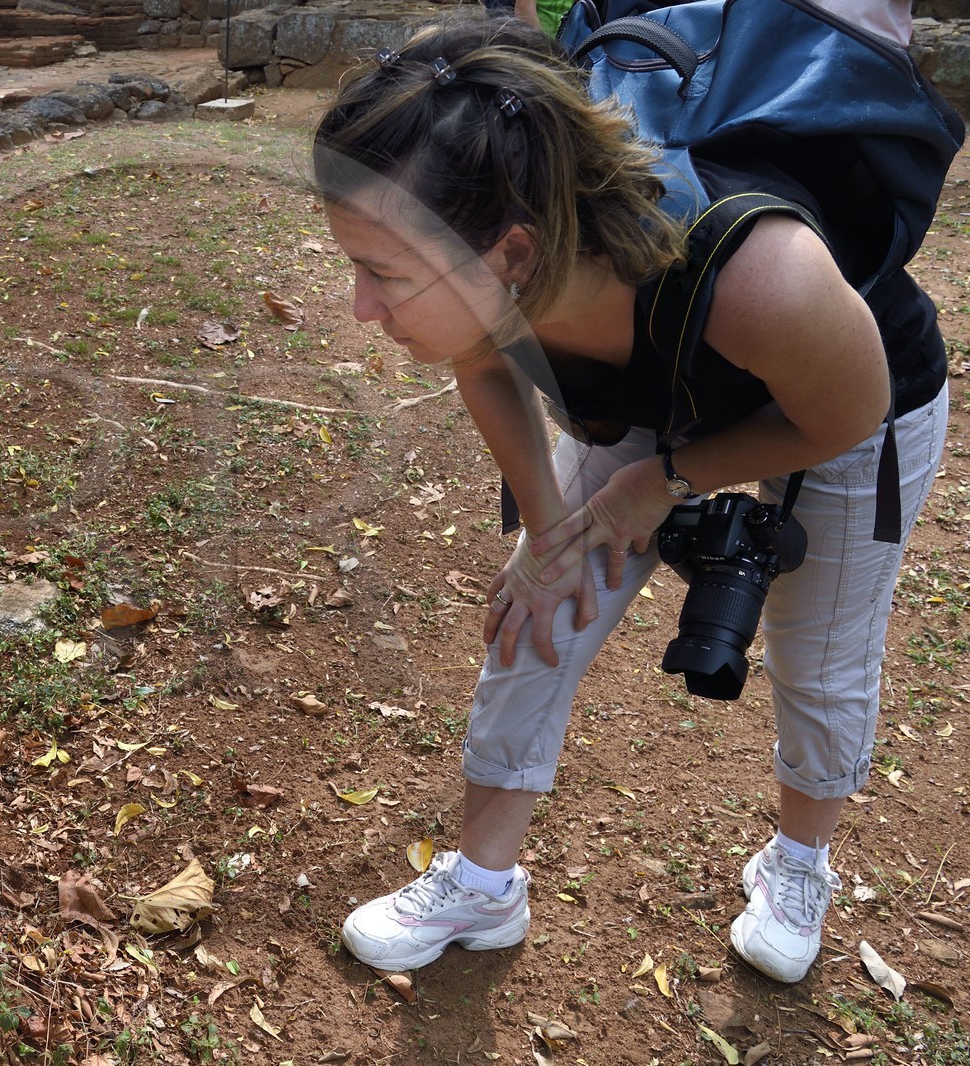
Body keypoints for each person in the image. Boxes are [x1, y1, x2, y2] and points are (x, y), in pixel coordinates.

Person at [316, 10, 948, 983]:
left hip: (838, 400)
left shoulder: (761, 277)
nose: (362, 309)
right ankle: (483, 884)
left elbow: (844, 413)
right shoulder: (497, 259)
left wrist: (662, 480)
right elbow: (482, 364)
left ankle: (796, 862)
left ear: (513, 253)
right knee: (535, 614)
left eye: (382, 274)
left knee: (818, 656)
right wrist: (545, 530)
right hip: (663, 384)